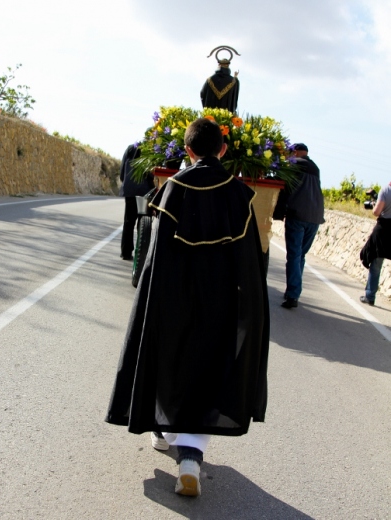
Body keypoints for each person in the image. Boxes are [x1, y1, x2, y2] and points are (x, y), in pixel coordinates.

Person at [105, 119, 270, 497]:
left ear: (187, 150)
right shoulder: (240, 195)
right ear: (223, 150)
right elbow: (250, 264)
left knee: (168, 362)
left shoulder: (172, 189)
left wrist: (148, 300)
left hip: (174, 298)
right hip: (221, 302)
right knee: (208, 372)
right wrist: (250, 313)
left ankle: (162, 431)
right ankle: (191, 458)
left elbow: (156, 259)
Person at [281, 143, 325, 309]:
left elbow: (285, 187)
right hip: (315, 217)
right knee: (300, 256)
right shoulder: (316, 168)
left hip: (297, 214)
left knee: (294, 255)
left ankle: (293, 295)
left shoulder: (294, 165)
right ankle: (293, 291)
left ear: (296, 152)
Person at [119, 144, 154, 260]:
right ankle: (141, 252)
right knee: (144, 223)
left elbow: (122, 171)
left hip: (130, 190)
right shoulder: (150, 149)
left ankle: (126, 252)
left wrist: (126, 182)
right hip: (145, 191)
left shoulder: (130, 149)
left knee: (128, 222)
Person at [359, 183, 391, 305]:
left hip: (382, 231)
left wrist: (373, 205)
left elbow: (376, 212)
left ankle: (370, 296)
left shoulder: (385, 190)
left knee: (376, 264)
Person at [200, 48, 240, 113]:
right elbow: (234, 99)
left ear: (219, 65)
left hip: (210, 115)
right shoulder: (234, 81)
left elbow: (202, 94)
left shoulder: (209, 80)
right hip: (227, 116)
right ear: (228, 66)